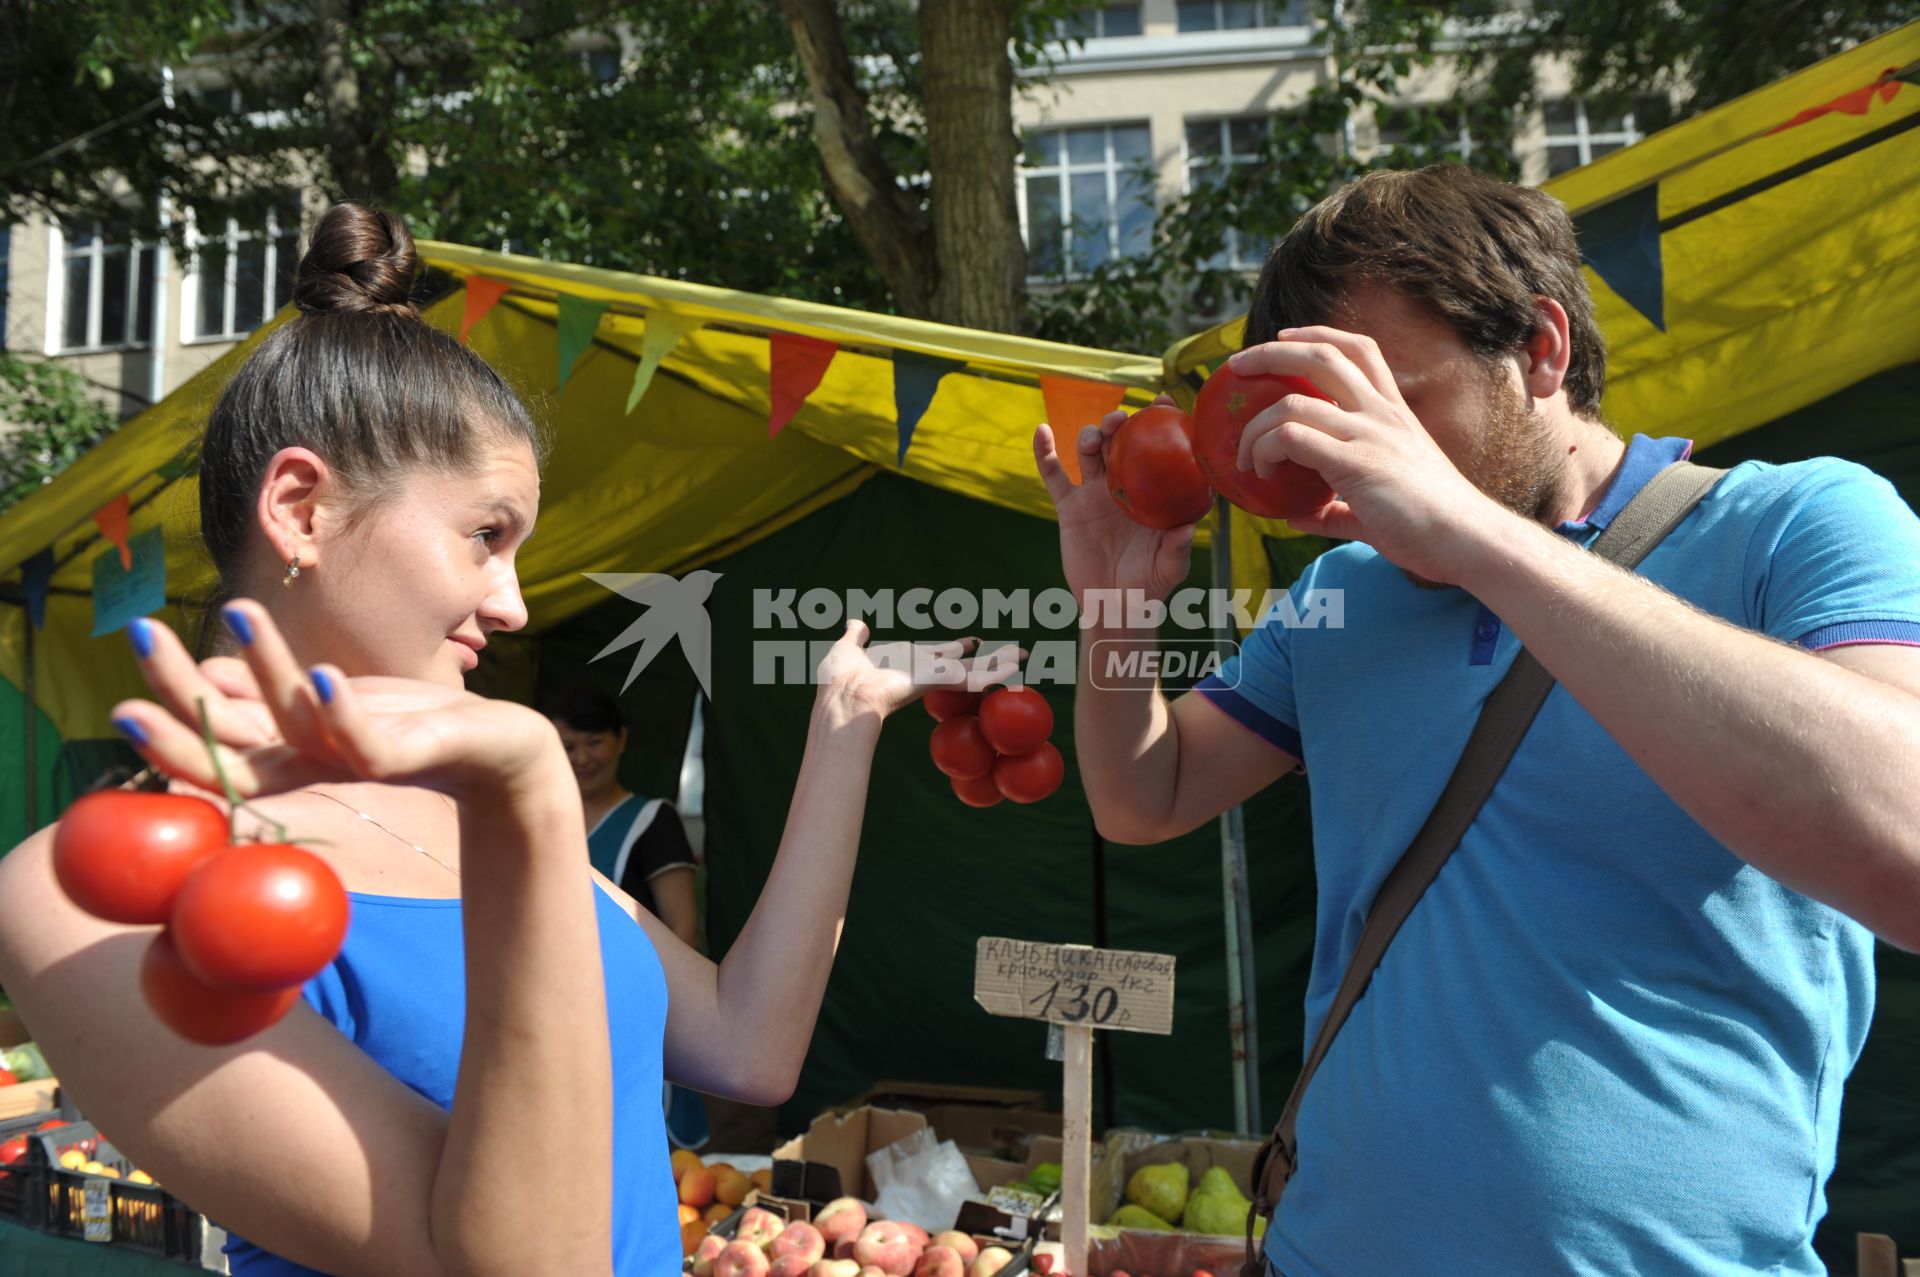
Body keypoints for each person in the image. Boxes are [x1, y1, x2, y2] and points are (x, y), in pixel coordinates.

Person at [0, 202, 995, 1277]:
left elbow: (750, 1043)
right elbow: (520, 1259)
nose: (514, 603)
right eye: (487, 536)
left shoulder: (480, 820)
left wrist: (843, 720)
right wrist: (524, 782)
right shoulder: (92, 895)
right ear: (299, 509)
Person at [1034, 163, 1920, 1275]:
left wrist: (1475, 538)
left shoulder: (1798, 521)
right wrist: (1117, 603)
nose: (1335, 469)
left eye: (1385, 405)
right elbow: (1141, 797)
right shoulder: (1342, 591)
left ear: (1542, 350)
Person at [544, 684, 700, 950]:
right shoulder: (536, 821)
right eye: (568, 746)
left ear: (621, 740)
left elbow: (683, 928)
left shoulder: (651, 820)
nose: (581, 758)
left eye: (595, 743)